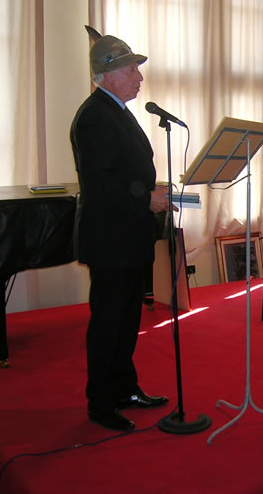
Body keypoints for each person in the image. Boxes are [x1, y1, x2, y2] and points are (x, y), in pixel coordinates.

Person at [70, 26, 171, 431]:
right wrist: (145, 199)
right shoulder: (94, 116)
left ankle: (125, 388)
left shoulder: (116, 111)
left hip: (129, 236)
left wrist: (150, 192)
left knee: (128, 320)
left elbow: (125, 170)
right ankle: (100, 403)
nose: (139, 77)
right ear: (109, 75)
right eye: (132, 70)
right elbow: (99, 183)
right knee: (108, 321)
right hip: (110, 239)